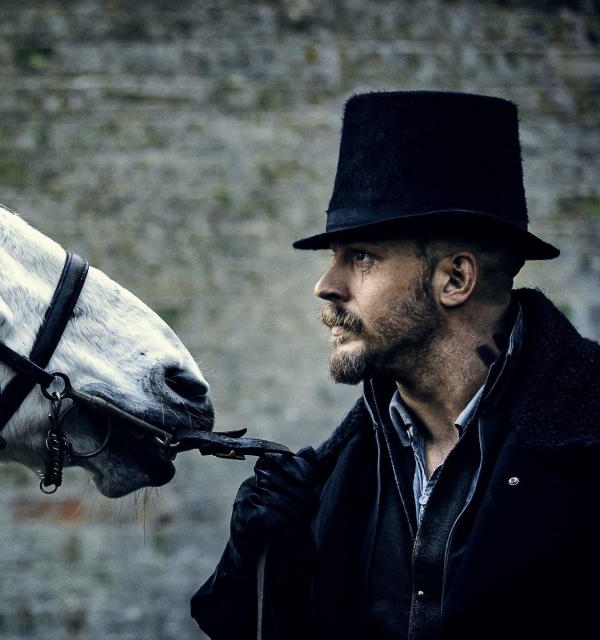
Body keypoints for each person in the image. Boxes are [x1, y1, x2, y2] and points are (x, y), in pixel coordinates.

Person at [190, 91, 600, 639]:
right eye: (333, 257)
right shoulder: (341, 474)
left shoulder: (586, 442)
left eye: (361, 256)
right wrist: (261, 560)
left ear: (455, 279)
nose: (326, 286)